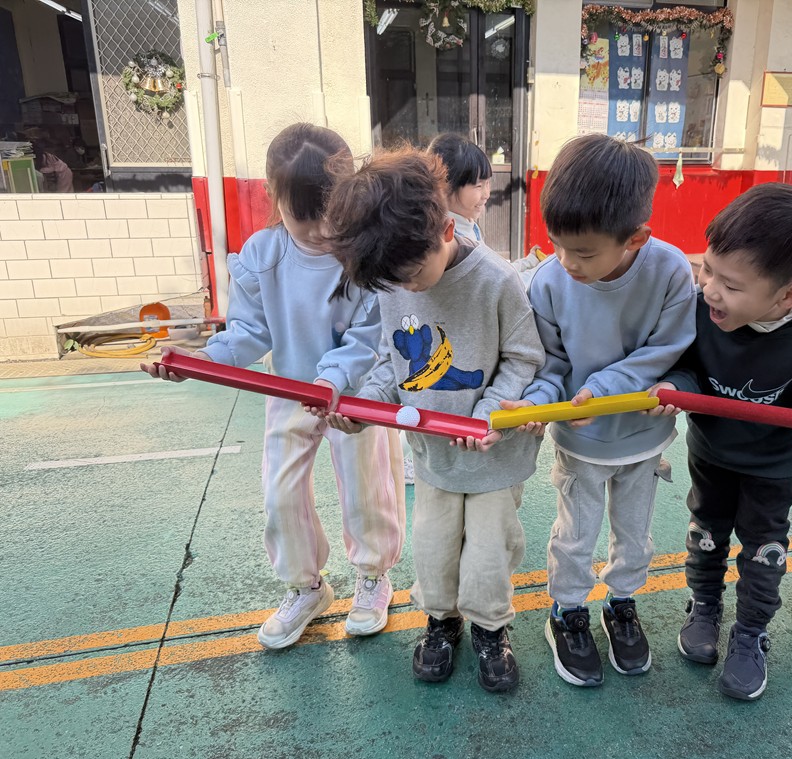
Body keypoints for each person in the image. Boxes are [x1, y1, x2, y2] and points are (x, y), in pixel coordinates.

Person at [141, 123, 406, 650]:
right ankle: (306, 587)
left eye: (330, 215)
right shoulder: (262, 254)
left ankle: (374, 576)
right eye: (302, 216)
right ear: (272, 196)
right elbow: (248, 331)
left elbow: (370, 334)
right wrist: (202, 360)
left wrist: (333, 379)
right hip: (289, 392)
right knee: (280, 494)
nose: (318, 230)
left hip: (355, 396)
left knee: (367, 487)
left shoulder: (362, 251)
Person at [322, 147, 545, 693]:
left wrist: (489, 414)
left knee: (489, 553)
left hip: (493, 457)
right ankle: (442, 621)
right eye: (393, 283)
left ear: (446, 229)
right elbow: (390, 362)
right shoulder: (396, 280)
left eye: (413, 276)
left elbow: (523, 358)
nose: (408, 289)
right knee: (434, 546)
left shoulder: (496, 280)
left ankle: (490, 628)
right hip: (434, 458)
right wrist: (365, 407)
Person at [655, 183, 792, 701]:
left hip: (775, 461)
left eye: (730, 285)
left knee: (763, 548)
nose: (710, 290)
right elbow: (685, 362)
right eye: (707, 269)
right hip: (711, 450)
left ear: (789, 295)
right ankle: (704, 606)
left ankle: (751, 631)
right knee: (706, 530)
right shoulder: (701, 309)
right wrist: (677, 387)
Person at [506, 133, 697, 687]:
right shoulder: (548, 282)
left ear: (636, 238)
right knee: (574, 535)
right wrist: (539, 403)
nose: (567, 262)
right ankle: (567, 611)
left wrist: (603, 387)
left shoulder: (671, 272)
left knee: (635, 535)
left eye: (585, 253)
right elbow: (550, 365)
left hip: (643, 439)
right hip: (580, 443)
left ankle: (622, 603)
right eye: (557, 245)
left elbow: (667, 350)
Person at [427, 132, 545, 287]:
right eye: (478, 186)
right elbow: (495, 283)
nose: (487, 194)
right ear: (444, 187)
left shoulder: (466, 225)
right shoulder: (453, 241)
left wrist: (528, 263)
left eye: (488, 183)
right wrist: (542, 273)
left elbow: (493, 269)